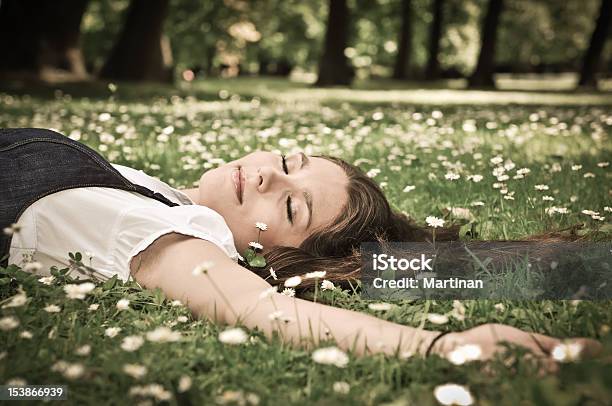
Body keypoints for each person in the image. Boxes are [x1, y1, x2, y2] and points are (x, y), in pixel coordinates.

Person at [1, 128, 599, 362]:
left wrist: (444, 346)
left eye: (290, 207)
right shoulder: (164, 198)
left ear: (273, 257)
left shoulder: (179, 240)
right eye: (290, 162)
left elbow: (263, 309)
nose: (266, 175)